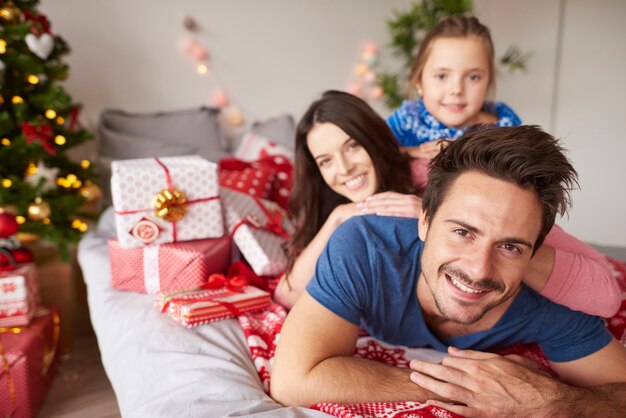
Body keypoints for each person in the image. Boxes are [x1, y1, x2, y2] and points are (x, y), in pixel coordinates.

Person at [271, 125, 626, 415]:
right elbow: (293, 379)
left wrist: (552, 400)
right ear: (424, 221)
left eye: (509, 246)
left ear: (535, 251)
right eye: (462, 232)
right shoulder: (364, 244)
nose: (478, 269)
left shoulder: (546, 301)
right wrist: (471, 390)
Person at [274, 91, 620, 319]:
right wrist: (337, 218)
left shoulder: (434, 175)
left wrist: (445, 222)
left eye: (352, 147)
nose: (344, 168)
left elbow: (606, 296)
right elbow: (287, 296)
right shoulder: (334, 207)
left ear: (375, 139)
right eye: (326, 160)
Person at [386, 16, 520, 162]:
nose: (457, 89)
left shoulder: (504, 127)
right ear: (419, 81)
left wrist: (464, 150)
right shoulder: (407, 120)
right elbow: (373, 151)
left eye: (473, 77)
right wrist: (411, 152)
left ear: (488, 82)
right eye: (442, 76)